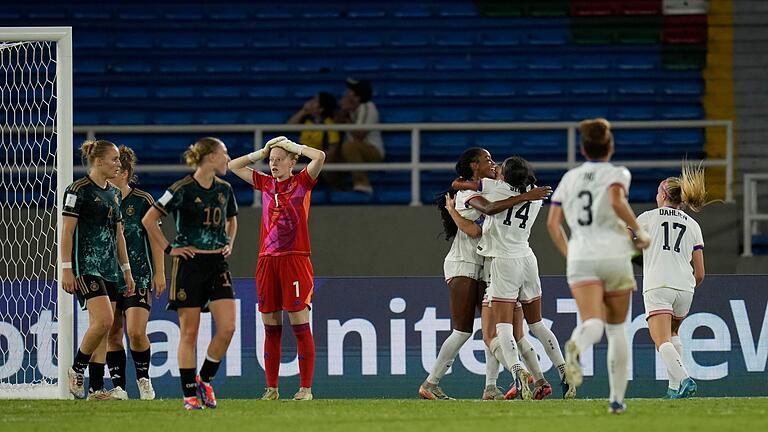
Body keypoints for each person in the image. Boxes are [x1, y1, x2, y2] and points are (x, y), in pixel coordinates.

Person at [418, 149, 550, 401]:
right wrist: (456, 214)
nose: (493, 163)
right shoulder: (467, 195)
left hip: (487, 266)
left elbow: (466, 187)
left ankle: (491, 387)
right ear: (473, 165)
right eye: (487, 160)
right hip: (464, 264)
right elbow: (475, 230)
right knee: (463, 331)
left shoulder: (484, 188)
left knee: (494, 330)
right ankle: (431, 383)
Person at [546, 118, 650, 414]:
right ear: (611, 146)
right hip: (615, 255)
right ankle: (616, 401)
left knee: (592, 322)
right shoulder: (618, 173)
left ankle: (577, 345)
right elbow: (616, 200)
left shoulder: (569, 179)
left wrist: (571, 255)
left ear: (582, 148)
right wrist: (638, 231)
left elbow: (553, 224)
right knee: (617, 330)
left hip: (581, 256)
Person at [142, 137, 239, 410]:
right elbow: (149, 219)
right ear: (210, 157)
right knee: (189, 332)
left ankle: (204, 379)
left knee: (228, 327)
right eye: (224, 153)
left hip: (217, 264)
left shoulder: (225, 189)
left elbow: (232, 220)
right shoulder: (181, 189)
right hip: (190, 264)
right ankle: (189, 395)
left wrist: (229, 242)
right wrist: (170, 248)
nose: (227, 158)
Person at [460, 156, 567, 401]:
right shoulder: (535, 195)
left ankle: (518, 371)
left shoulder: (495, 189)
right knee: (536, 324)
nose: (495, 167)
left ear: (504, 176)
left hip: (502, 262)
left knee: (501, 328)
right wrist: (526, 194)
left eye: (500, 167)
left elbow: (465, 189)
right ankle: (562, 369)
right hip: (527, 260)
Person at [228, 136, 326, 401]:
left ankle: (305, 389)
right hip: (267, 259)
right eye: (271, 160)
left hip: (295, 259)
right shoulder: (266, 184)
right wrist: (260, 151)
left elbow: (319, 157)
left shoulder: (302, 182)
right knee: (270, 325)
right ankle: (271, 389)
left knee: (299, 323)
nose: (273, 164)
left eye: (280, 160)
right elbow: (233, 166)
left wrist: (295, 146)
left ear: (292, 162)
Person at [61, 139, 135, 400]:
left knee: (104, 327)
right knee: (103, 320)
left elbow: (119, 235)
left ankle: (95, 388)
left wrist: (126, 269)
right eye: (114, 159)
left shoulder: (114, 193)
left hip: (110, 268)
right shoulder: (77, 190)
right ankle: (76, 369)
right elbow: (67, 231)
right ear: (99, 161)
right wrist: (67, 268)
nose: (118, 164)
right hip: (86, 265)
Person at [636, 164, 710, 399]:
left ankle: (685, 379)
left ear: (664, 195)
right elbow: (700, 273)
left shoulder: (648, 218)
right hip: (685, 289)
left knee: (661, 340)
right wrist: (685, 284)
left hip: (658, 285)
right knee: (673, 335)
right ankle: (673, 388)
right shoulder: (693, 224)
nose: (657, 195)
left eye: (659, 191)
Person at [103, 145, 163, 400]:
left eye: (115, 170)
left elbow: (155, 239)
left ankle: (144, 380)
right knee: (112, 332)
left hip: (138, 276)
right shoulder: (101, 200)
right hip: (109, 277)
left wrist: (160, 273)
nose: (110, 174)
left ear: (125, 173)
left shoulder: (143, 201)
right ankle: (119, 387)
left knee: (136, 332)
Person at [337, 78, 383, 194]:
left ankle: (363, 183)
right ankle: (336, 189)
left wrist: (347, 119)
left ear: (358, 95)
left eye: (350, 91)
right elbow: (336, 122)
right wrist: (343, 111)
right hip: (351, 152)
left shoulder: (367, 107)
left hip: (372, 150)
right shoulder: (352, 109)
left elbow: (360, 135)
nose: (347, 93)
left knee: (350, 146)